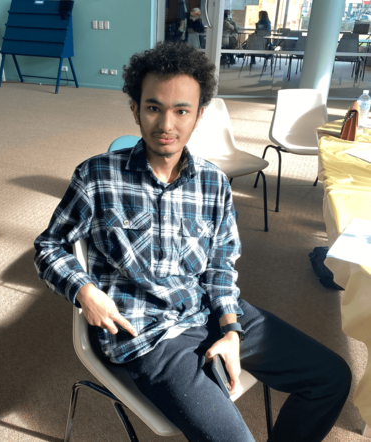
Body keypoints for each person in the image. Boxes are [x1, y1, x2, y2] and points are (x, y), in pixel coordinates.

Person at [34, 41, 351, 442]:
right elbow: (49, 247)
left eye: (181, 110)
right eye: (153, 108)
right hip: (149, 335)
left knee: (331, 377)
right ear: (136, 109)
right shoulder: (97, 175)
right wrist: (85, 292)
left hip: (207, 311)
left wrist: (231, 330)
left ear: (199, 115)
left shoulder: (213, 183)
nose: (167, 124)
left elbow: (220, 266)